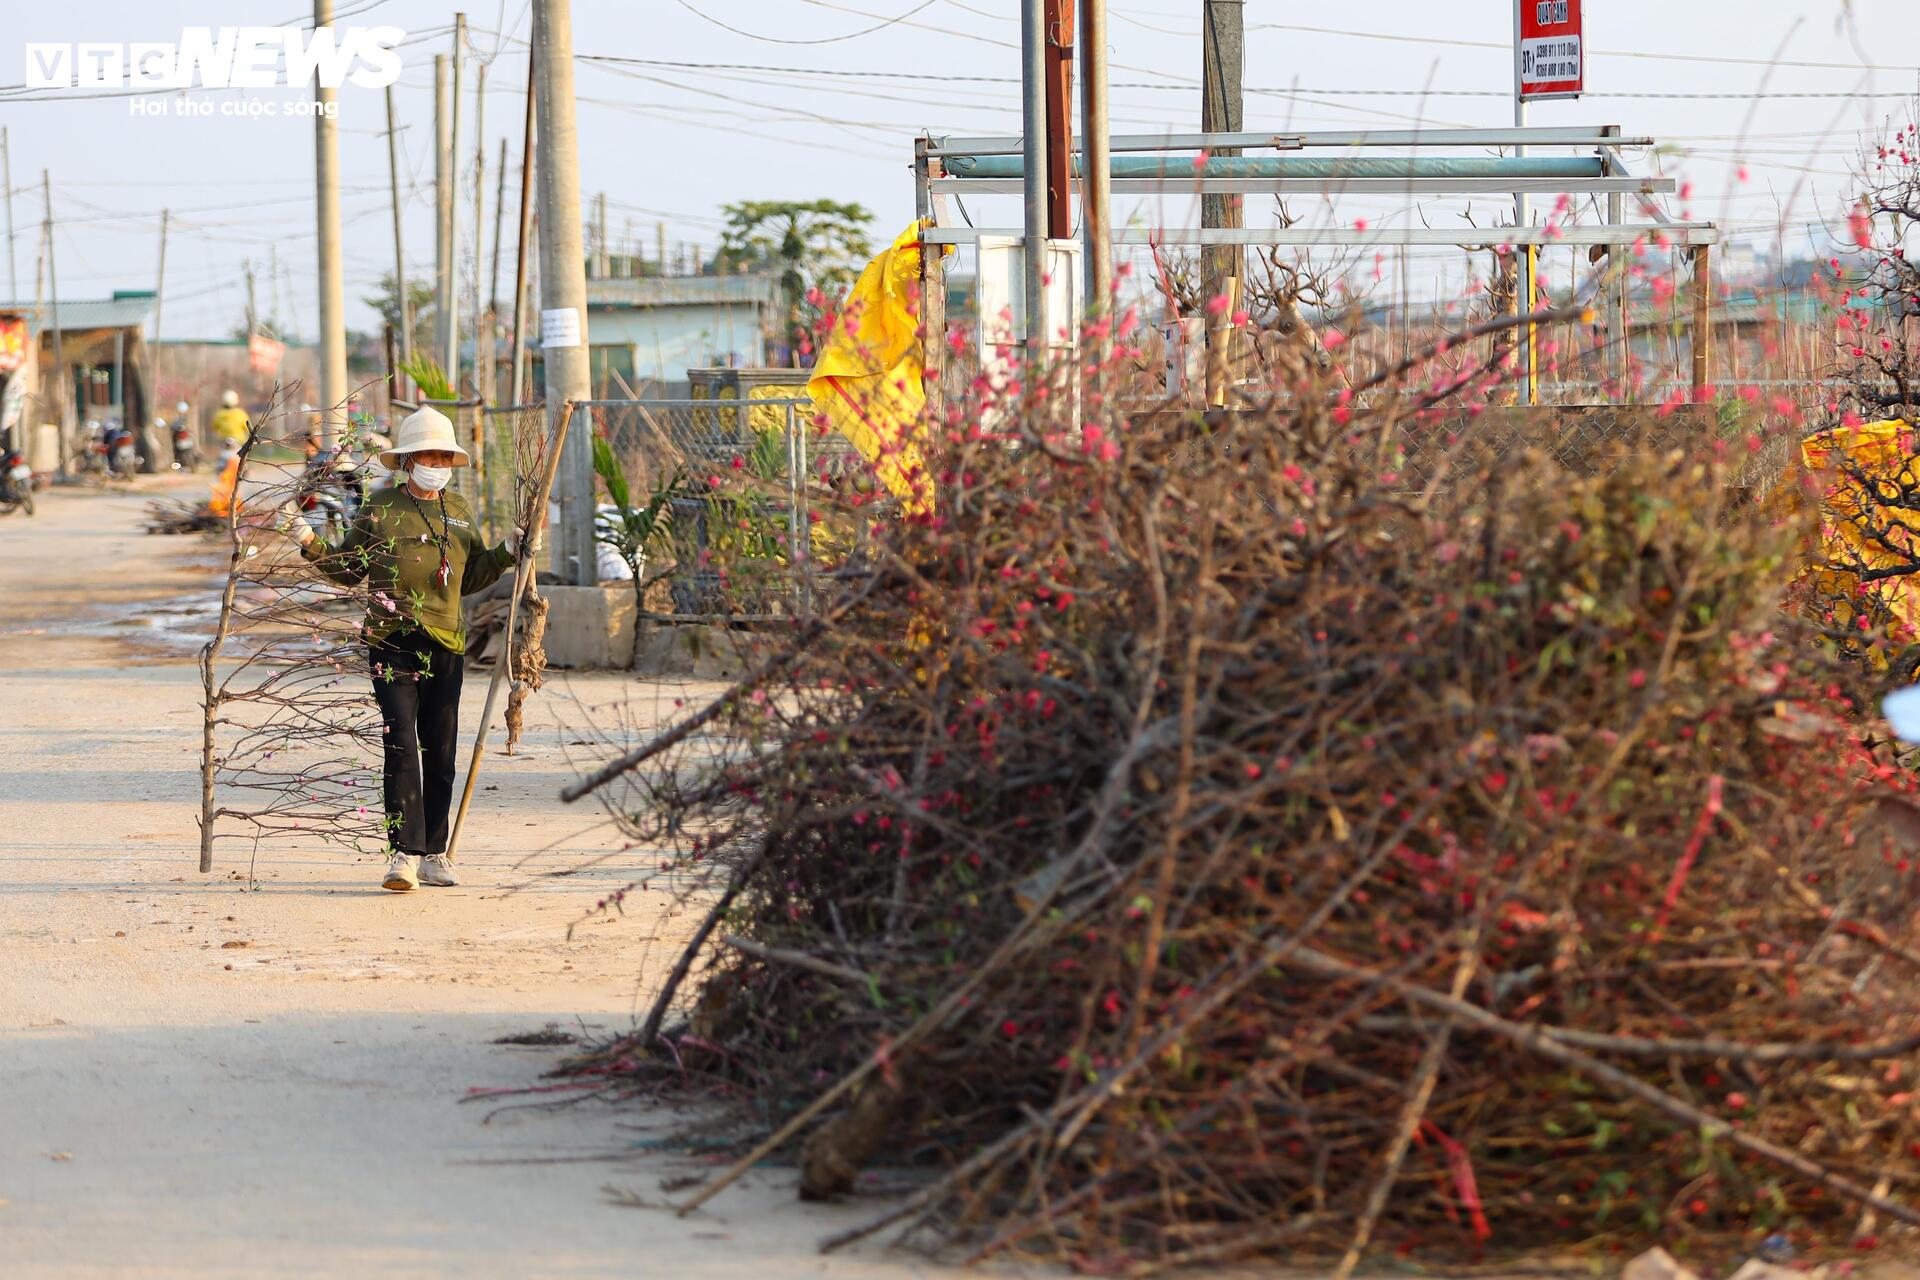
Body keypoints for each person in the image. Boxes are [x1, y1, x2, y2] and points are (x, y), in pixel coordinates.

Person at [277, 406, 534, 892]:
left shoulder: (455, 511)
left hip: (445, 642)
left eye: (443, 455)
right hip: (390, 642)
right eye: (427, 454)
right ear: (409, 459)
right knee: (400, 744)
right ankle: (403, 855)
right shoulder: (380, 507)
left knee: (440, 750)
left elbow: (471, 576)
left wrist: (507, 551)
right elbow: (351, 569)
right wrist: (308, 540)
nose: (436, 462)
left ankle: (435, 851)